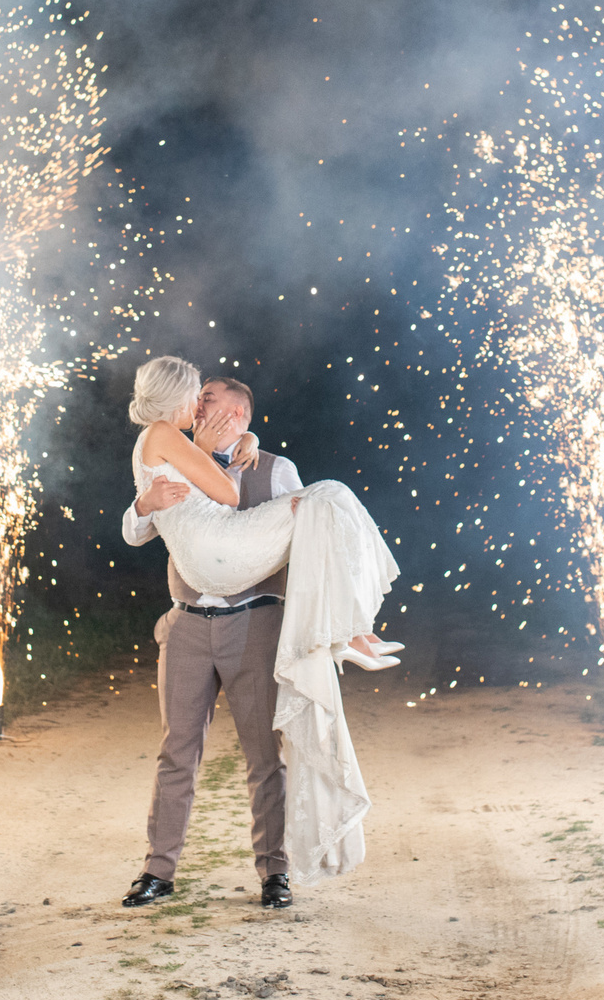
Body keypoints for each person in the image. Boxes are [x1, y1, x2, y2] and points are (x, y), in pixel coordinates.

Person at [117, 356, 400, 911]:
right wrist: (142, 505)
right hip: (189, 623)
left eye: (209, 400)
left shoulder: (274, 468)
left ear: (239, 412)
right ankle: (158, 871)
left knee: (264, 757)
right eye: (196, 400)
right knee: (177, 751)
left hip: (256, 623)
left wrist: (313, 626)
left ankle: (275, 874)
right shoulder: (172, 447)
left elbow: (305, 550)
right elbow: (135, 531)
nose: (199, 407)